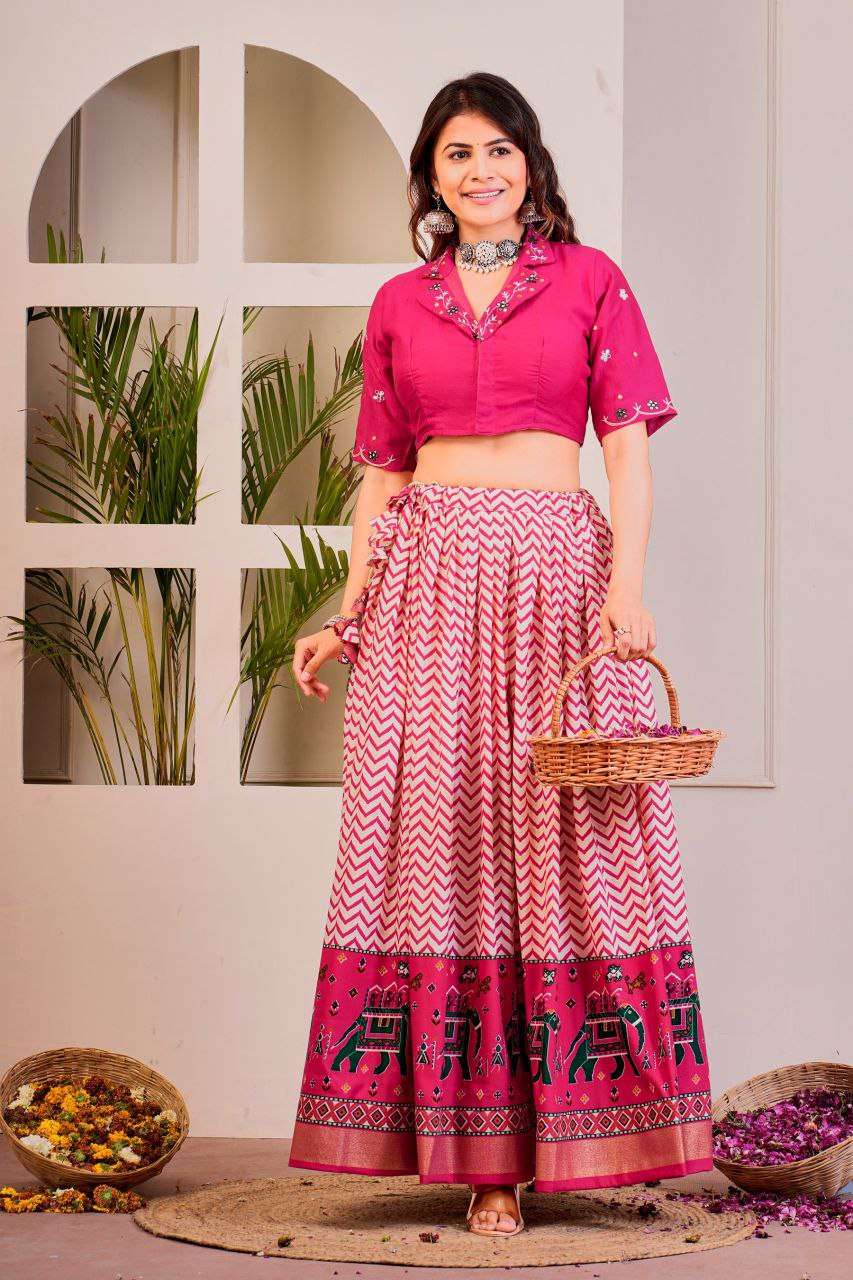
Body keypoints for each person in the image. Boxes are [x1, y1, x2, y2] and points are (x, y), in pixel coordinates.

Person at [288, 71, 712, 1238]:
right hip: (428, 583)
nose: (480, 171)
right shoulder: (398, 301)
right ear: (431, 177)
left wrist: (626, 588)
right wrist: (346, 610)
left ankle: (569, 1136)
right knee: (445, 838)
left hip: (555, 574)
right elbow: (382, 475)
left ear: (530, 165)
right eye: (457, 154)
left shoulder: (589, 280)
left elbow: (625, 455)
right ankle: (479, 1159)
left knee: (561, 835)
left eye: (498, 150)